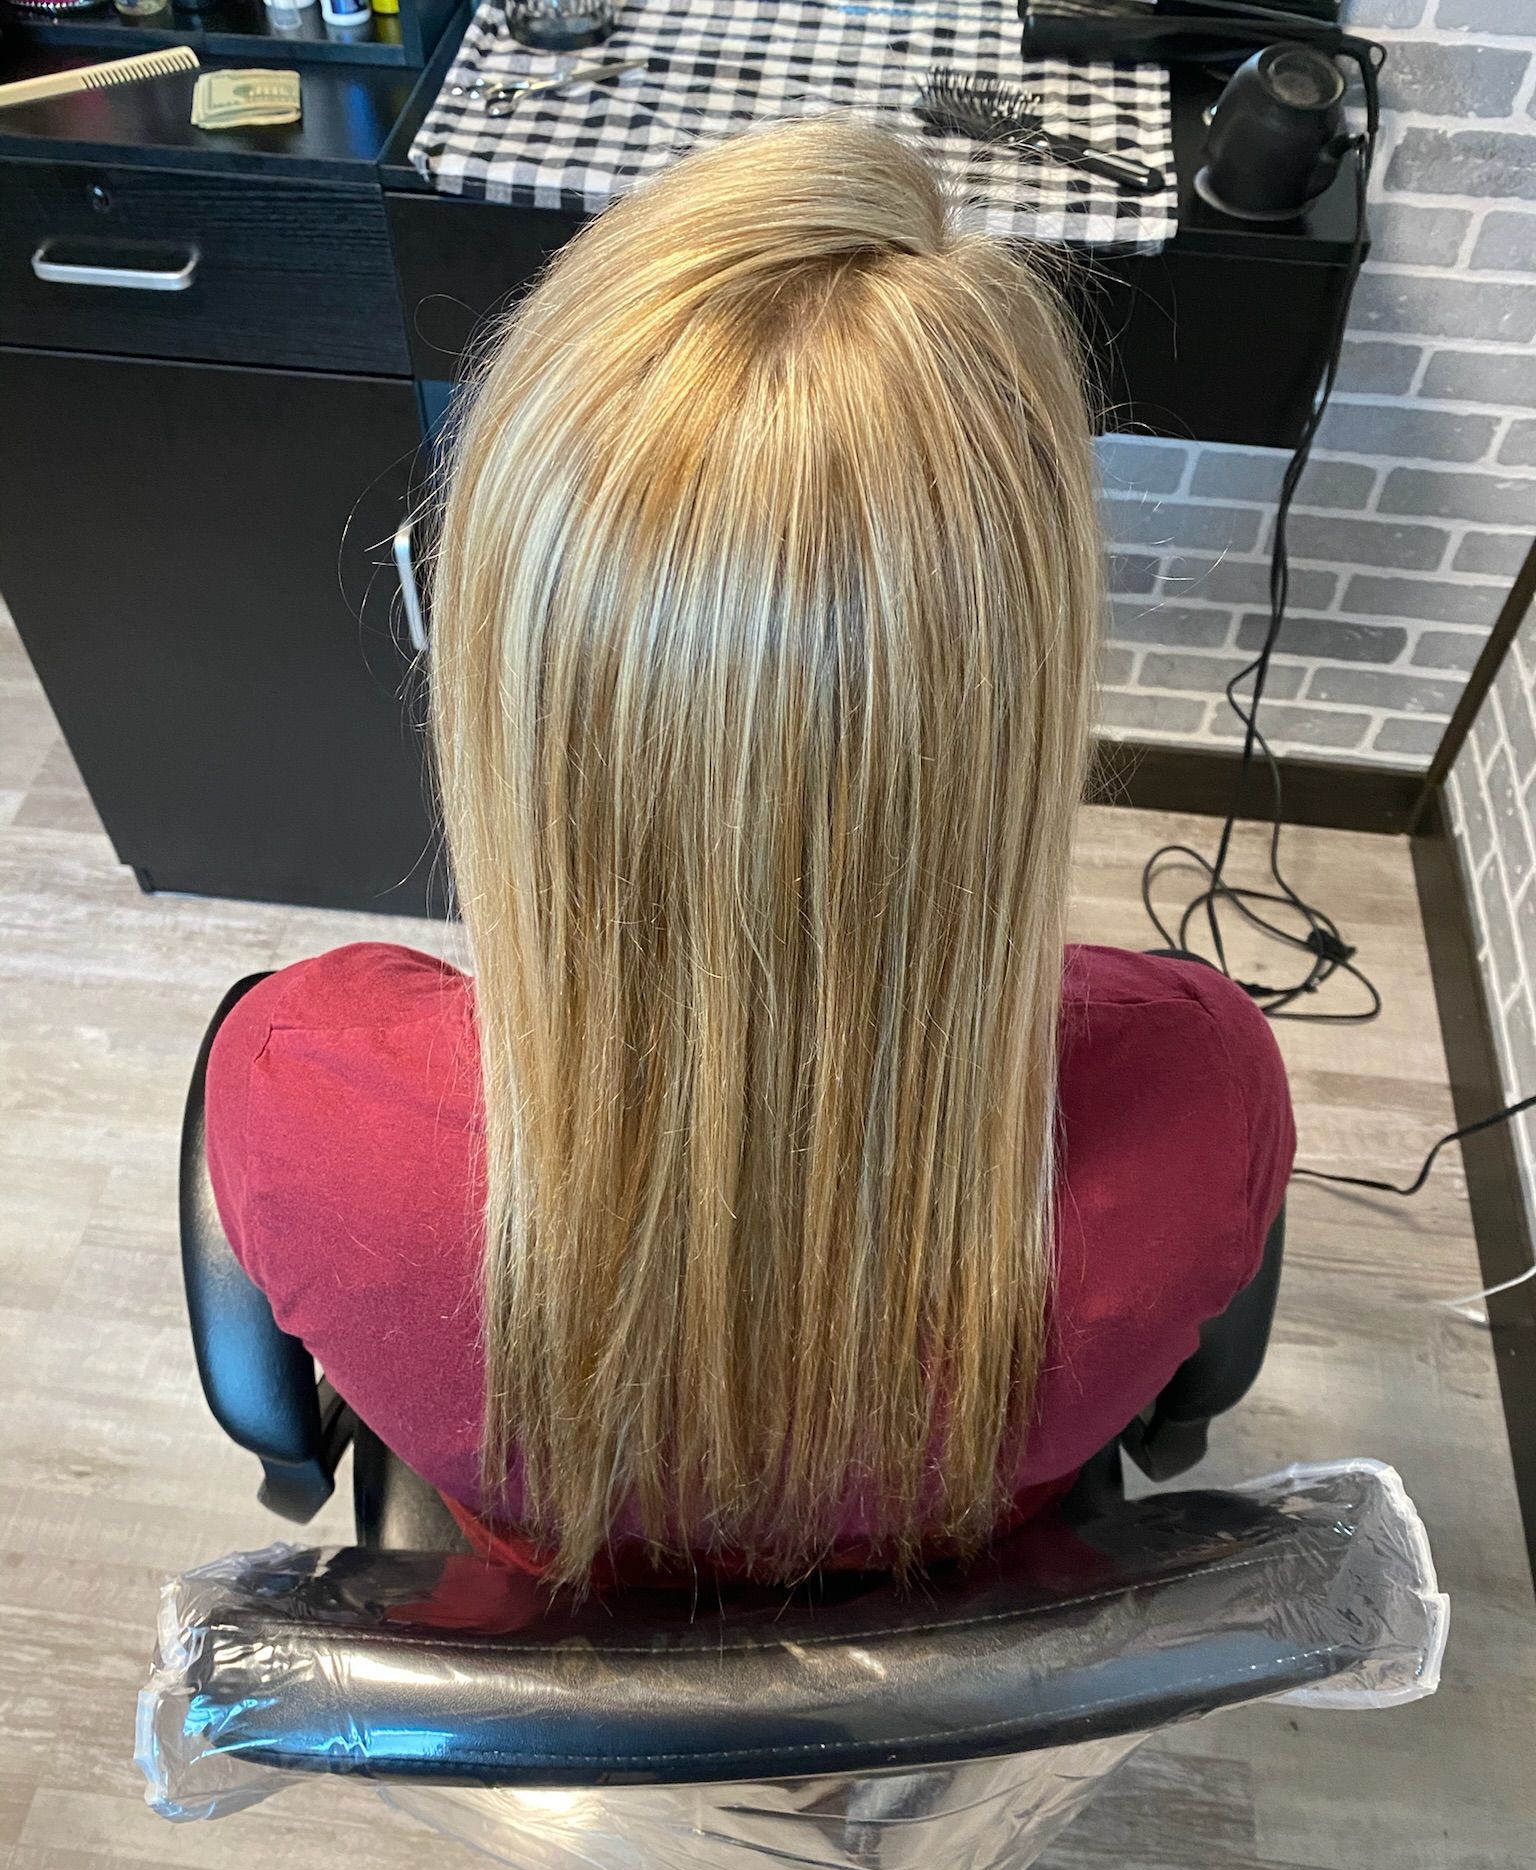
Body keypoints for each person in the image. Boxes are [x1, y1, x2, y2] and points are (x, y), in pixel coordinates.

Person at [206, 119, 1293, 1589]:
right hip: (953, 1605)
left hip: (543, 1621)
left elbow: (275, 1416)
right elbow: (1192, 1398)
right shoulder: (1203, 1091)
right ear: (1026, 684)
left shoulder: (302, 1089)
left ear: (499, 644)